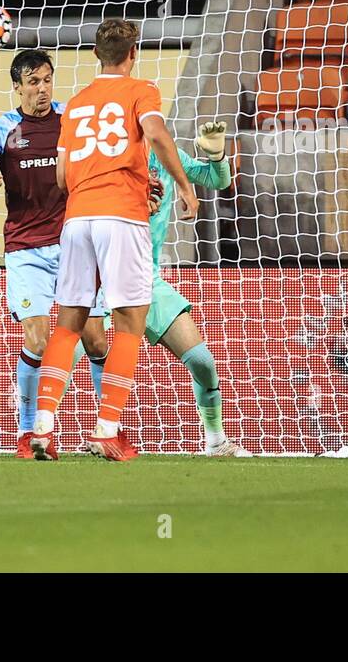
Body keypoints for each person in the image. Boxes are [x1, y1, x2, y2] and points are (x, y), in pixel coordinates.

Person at [31, 19, 198, 461]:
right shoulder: (141, 89)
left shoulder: (79, 104)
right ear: (133, 52)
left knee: (67, 323)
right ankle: (107, 429)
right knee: (129, 324)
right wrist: (182, 184)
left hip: (77, 219)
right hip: (120, 218)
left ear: (95, 55)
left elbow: (62, 176)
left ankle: (43, 427)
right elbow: (158, 135)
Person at [0, 49, 108, 459]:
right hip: (26, 248)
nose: (42, 90)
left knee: (95, 340)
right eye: (33, 82)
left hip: (76, 243)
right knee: (38, 339)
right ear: (18, 87)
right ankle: (28, 433)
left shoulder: (72, 119)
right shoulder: (3, 128)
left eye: (47, 80)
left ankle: (105, 430)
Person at [72, 121, 250, 457]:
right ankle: (42, 431)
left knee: (203, 363)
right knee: (66, 360)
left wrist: (216, 155)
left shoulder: (166, 154)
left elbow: (218, 181)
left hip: (145, 279)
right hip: (99, 278)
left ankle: (216, 441)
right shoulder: (101, 156)